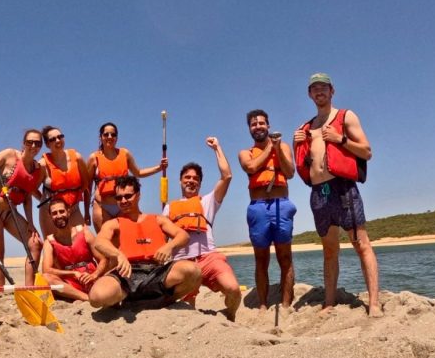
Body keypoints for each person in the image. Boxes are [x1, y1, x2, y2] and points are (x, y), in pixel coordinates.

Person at [292, 72, 382, 316]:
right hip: (319, 193)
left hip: (343, 188)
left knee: (360, 243)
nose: (319, 92)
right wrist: (295, 143)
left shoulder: (345, 116)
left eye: (323, 87)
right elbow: (302, 165)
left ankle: (374, 304)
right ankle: (329, 302)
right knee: (329, 249)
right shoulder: (305, 127)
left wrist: (340, 139)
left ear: (332, 91)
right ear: (310, 95)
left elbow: (367, 151)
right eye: (314, 88)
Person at [88, 176, 201, 309]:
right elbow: (99, 242)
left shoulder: (158, 219)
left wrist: (169, 246)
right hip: (127, 272)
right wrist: (118, 254)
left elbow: (183, 236)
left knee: (194, 271)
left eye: (128, 196)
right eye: (119, 198)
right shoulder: (113, 224)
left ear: (138, 195)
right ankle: (125, 298)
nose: (123, 201)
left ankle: (166, 299)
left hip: (157, 272)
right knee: (97, 297)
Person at [163, 137, 242, 320]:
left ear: (200, 183)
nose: (191, 181)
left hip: (208, 257)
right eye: (187, 178)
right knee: (187, 312)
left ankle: (229, 316)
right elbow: (162, 240)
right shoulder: (168, 208)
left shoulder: (208, 202)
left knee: (233, 290)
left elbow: (227, 176)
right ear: (180, 181)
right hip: (182, 262)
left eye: (195, 179)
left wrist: (217, 148)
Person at [238, 109, 296, 311]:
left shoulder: (284, 147)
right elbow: (252, 168)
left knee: (285, 257)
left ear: (268, 125)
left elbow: (289, 172)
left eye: (261, 123)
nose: (258, 127)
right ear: (249, 129)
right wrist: (270, 147)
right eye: (253, 124)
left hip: (282, 203)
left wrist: (277, 148)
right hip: (258, 207)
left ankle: (286, 302)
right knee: (261, 259)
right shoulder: (245, 153)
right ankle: (262, 304)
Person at [0, 127, 44, 286]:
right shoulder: (9, 155)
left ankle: (29, 288)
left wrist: (31, 223)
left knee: (35, 244)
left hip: (10, 211)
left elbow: (27, 198)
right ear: (23, 143)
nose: (33, 146)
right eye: (30, 142)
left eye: (37, 143)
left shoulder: (37, 170)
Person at [86, 122, 168, 231]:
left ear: (117, 138)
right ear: (100, 137)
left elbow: (138, 173)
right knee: (104, 241)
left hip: (123, 206)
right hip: (102, 206)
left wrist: (159, 168)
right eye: (106, 134)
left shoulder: (125, 154)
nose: (109, 137)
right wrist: (86, 212)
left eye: (113, 134)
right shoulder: (93, 158)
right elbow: (87, 187)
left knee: (124, 241)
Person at [40, 199, 106, 301]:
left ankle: (93, 293)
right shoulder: (49, 242)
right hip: (70, 285)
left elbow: (102, 259)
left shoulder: (84, 232)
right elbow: (46, 270)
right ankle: (86, 298)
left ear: (68, 211)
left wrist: (95, 275)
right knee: (46, 278)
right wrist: (73, 273)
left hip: (91, 278)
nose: (59, 216)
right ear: (50, 216)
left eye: (62, 211)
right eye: (54, 213)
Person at [38, 125, 91, 236]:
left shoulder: (77, 158)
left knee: (83, 239)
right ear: (47, 144)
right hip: (51, 211)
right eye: (52, 139)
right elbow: (32, 189)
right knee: (54, 245)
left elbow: (86, 185)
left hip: (73, 208)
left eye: (60, 137)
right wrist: (46, 202)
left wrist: (86, 212)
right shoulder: (43, 164)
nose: (57, 140)